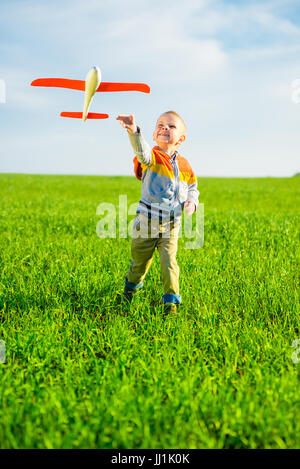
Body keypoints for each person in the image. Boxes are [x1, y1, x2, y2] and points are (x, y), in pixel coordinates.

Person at [116, 111, 199, 314]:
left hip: (171, 225)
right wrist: (134, 131)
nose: (165, 128)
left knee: (169, 263)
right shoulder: (151, 158)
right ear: (154, 135)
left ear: (181, 139)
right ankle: (130, 291)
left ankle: (170, 303)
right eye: (160, 125)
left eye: (171, 126)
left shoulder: (185, 165)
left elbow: (192, 187)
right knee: (139, 265)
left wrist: (192, 202)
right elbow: (141, 151)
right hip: (145, 224)